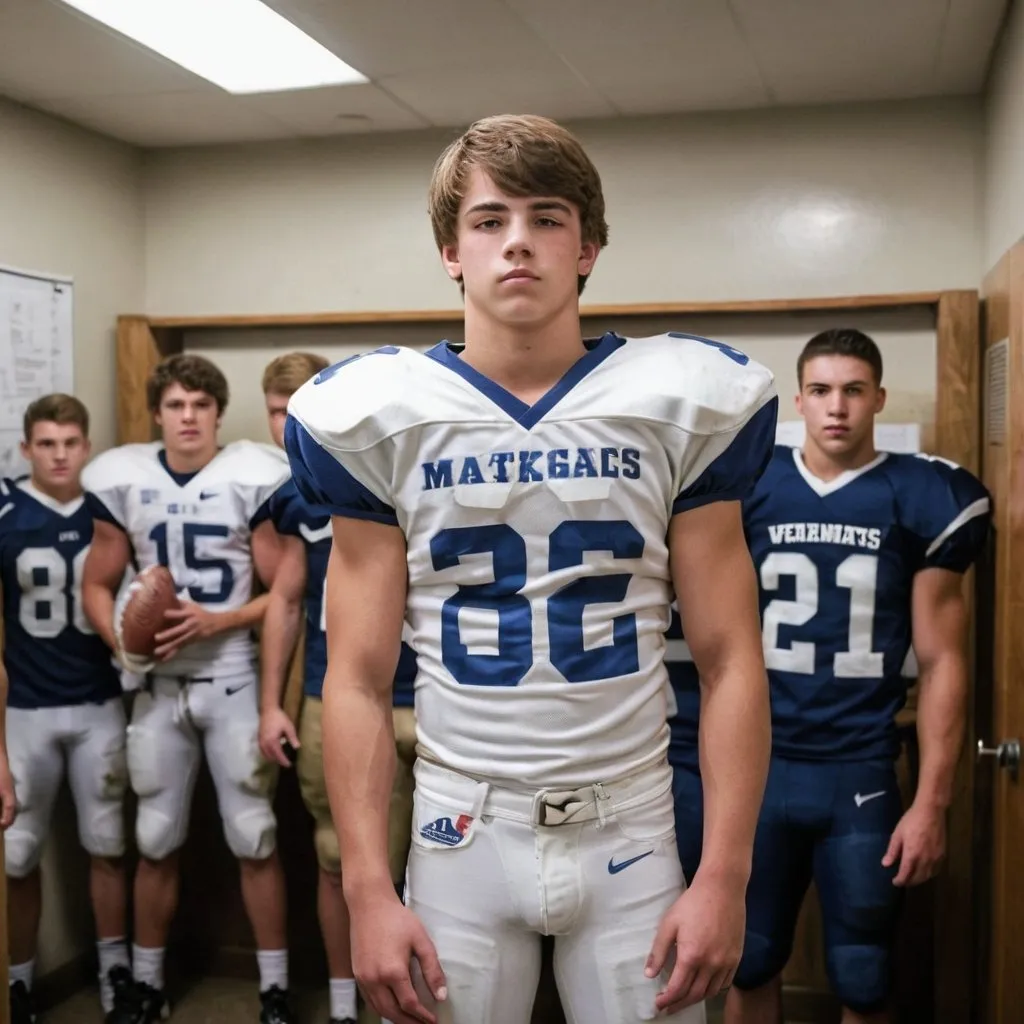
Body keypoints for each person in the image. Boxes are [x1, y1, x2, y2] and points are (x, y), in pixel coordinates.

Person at [284, 113, 778, 1024]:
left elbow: (731, 657)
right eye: (489, 219)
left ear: (588, 246)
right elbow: (353, 678)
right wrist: (365, 890)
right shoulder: (379, 414)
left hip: (631, 816)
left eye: (548, 218)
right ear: (450, 251)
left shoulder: (678, 400)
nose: (519, 242)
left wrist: (726, 876)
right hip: (460, 822)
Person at [669, 328, 992, 1024]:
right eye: (820, 391)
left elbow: (942, 661)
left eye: (852, 390)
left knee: (863, 972)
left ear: (877, 397)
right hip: (758, 765)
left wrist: (932, 804)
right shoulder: (749, 485)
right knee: (748, 959)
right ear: (798, 400)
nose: (836, 408)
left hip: (860, 769)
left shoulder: (921, 494)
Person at [80, 354, 294, 1024]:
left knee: (255, 839)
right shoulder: (124, 479)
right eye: (176, 405)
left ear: (218, 413)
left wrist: (219, 617)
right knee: (156, 838)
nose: (189, 417)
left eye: (201, 405)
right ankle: (145, 985)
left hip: (230, 676)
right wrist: (127, 644)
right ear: (158, 413)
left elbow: (286, 588)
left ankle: (274, 992)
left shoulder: (250, 476)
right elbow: (95, 583)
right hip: (159, 687)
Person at [258, 350, 416, 1024]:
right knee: (339, 860)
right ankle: (349, 1002)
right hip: (337, 696)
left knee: (438, 874)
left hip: (438, 692)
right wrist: (272, 704)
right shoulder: (297, 496)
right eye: (277, 411)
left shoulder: (419, 474)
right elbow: (286, 601)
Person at [2, 395, 127, 1024]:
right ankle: (18, 983)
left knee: (108, 843)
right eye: (46, 443)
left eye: (71, 442)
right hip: (24, 707)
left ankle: (115, 973)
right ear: (26, 448)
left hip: (100, 699)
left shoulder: (111, 506)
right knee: (17, 854)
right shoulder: (4, 511)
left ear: (87, 446)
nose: (59, 455)